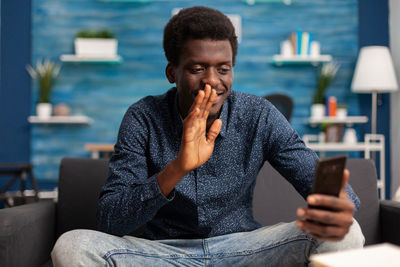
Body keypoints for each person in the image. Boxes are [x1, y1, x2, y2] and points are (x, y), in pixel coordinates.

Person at [51, 6, 364, 266]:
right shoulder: (143, 117)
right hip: (161, 254)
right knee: (72, 246)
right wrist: (177, 168)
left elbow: (317, 176)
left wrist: (337, 204)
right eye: (198, 68)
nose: (212, 82)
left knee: (347, 233)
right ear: (172, 72)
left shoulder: (258, 114)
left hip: (243, 250)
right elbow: (110, 220)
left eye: (223, 69)